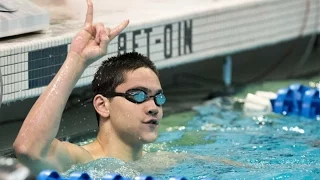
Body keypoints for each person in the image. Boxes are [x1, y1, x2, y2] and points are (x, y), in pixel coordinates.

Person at [12, 0, 143, 175]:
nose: (153, 108)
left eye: (159, 98)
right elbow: (28, 149)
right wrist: (77, 59)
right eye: (138, 95)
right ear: (103, 105)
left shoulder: (162, 160)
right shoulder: (78, 160)